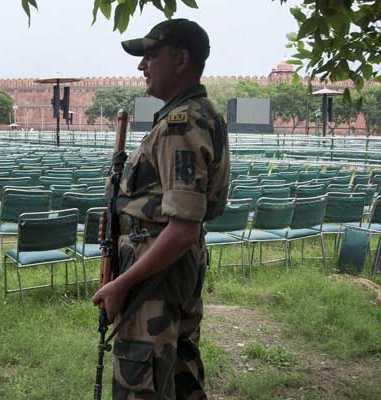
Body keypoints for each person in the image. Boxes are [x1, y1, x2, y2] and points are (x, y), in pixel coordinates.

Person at [92, 19, 230, 400]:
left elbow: (183, 227)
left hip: (154, 277)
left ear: (181, 59)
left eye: (152, 55)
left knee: (142, 378)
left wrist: (121, 284)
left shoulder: (180, 126)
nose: (142, 66)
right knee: (180, 372)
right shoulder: (199, 114)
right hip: (169, 270)